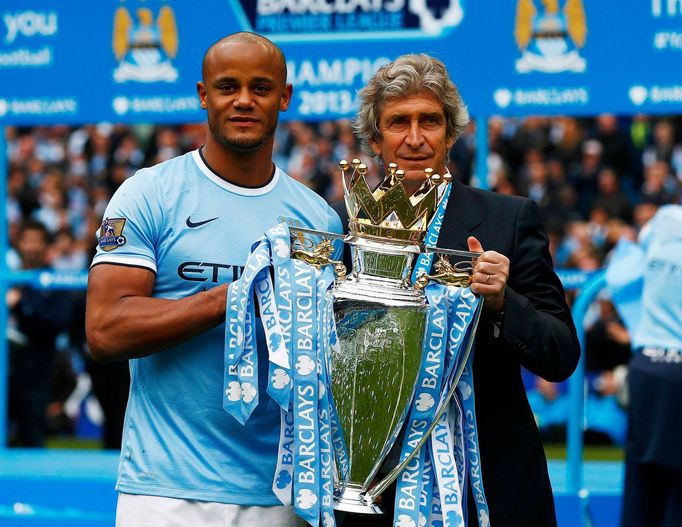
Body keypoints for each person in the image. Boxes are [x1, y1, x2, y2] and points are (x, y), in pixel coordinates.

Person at [86, 32, 342, 527]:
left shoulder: (318, 221)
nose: (244, 100)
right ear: (203, 95)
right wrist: (240, 294)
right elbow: (105, 330)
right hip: (165, 492)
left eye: (261, 88)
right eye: (228, 87)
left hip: (282, 492)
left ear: (284, 97)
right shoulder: (149, 195)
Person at [337, 53, 580, 526]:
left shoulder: (507, 219)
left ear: (451, 133)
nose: (414, 137)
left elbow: (560, 354)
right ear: (374, 140)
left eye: (429, 121)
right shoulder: (343, 228)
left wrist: (502, 302)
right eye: (397, 123)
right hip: (374, 487)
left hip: (487, 482)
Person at [607, 205, 682, 527]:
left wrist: (628, 248)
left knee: (642, 482)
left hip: (647, 367)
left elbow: (618, 278)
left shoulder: (657, 231)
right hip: (673, 367)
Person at [8, 220, 76, 446]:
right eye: (27, 241)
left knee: (32, 438)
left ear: (46, 246)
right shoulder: (8, 278)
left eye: (37, 241)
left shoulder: (56, 282)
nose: (32, 247)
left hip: (36, 375)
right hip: (6, 372)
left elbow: (56, 323)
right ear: (19, 244)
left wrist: (21, 308)